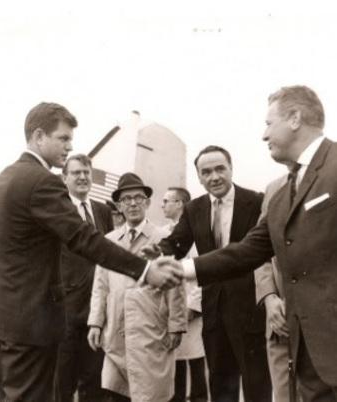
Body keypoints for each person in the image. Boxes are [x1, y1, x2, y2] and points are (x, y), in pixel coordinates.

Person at [0, 102, 183, 402]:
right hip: (29, 323)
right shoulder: (41, 181)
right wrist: (143, 269)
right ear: (38, 136)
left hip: (4, 319)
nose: (70, 146)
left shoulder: (4, 179)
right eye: (63, 138)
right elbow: (83, 237)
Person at [171, 85, 337, 401]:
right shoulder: (281, 192)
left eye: (268, 124)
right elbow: (248, 250)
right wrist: (180, 269)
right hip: (308, 356)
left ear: (295, 118)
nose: (263, 135)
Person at [143, 146, 272, 402]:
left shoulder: (256, 202)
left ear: (231, 169)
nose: (214, 177)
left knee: (256, 382)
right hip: (212, 309)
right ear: (199, 178)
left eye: (220, 169)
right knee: (220, 383)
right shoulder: (194, 209)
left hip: (249, 307)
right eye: (206, 172)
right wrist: (158, 251)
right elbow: (177, 243)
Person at [87, 173, 187, 402]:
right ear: (119, 206)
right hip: (116, 330)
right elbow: (100, 285)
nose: (133, 203)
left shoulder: (163, 238)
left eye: (138, 198)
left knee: (151, 393)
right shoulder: (109, 241)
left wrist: (176, 325)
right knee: (118, 392)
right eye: (127, 199)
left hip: (151, 330)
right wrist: (95, 322)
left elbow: (176, 284)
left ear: (147, 203)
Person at [54, 154, 113, 402]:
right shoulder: (56, 211)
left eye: (86, 172)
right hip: (65, 312)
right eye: (76, 172)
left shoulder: (102, 211)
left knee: (94, 382)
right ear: (64, 177)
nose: (82, 177)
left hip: (97, 312)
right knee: (63, 384)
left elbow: (108, 255)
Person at [255, 174, 301, 402]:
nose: (266, 136)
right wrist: (269, 297)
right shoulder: (274, 188)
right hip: (280, 322)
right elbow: (261, 251)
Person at [162, 187, 208, 402]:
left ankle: (199, 399)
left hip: (189, 307)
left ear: (179, 203)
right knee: (175, 359)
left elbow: (199, 272)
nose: (163, 205)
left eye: (167, 201)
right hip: (170, 308)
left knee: (195, 359)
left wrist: (193, 306)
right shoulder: (165, 232)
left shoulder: (194, 233)